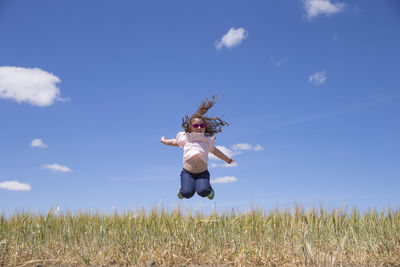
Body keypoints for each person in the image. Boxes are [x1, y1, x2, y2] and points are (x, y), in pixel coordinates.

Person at [160, 95, 234, 200]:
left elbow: (215, 151)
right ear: (191, 127)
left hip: (202, 173)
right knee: (187, 193)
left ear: (205, 127)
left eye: (202, 126)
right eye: (195, 126)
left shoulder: (207, 139)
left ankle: (209, 189)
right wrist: (164, 141)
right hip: (187, 173)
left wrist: (227, 159)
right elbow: (175, 142)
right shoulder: (186, 138)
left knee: (203, 192)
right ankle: (182, 190)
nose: (199, 127)